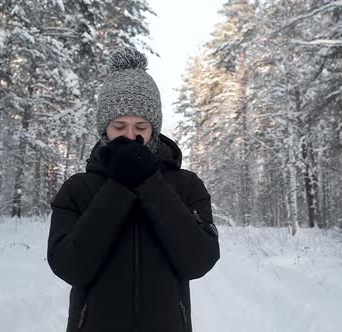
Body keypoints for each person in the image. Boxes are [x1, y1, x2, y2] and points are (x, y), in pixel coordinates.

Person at [47, 46, 220, 332]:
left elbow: (198, 261)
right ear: (105, 129)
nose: (130, 136)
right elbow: (70, 267)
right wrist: (118, 186)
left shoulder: (187, 185)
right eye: (119, 126)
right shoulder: (78, 189)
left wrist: (150, 183)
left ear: (155, 128)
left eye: (141, 126)